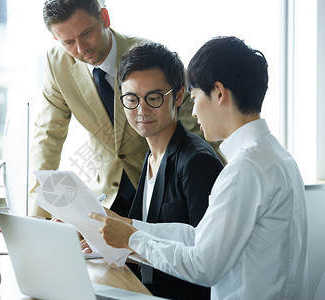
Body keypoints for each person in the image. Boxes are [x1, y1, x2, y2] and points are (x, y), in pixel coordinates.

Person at [89, 36, 308, 299]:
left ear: (218, 93)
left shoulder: (245, 169)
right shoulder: (274, 156)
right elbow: (197, 236)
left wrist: (132, 239)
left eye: (194, 97)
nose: (193, 113)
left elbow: (203, 265)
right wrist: (127, 226)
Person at [28, 0, 225, 219]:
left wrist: (220, 196)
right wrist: (38, 218)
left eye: (86, 33)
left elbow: (199, 130)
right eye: (68, 42)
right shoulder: (57, 65)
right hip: (108, 198)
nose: (81, 48)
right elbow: (47, 138)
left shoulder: (151, 59)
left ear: (104, 18)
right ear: (57, 39)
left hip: (163, 192)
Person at [116, 41, 223, 299]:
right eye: (131, 99)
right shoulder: (151, 155)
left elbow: (206, 262)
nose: (141, 110)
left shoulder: (197, 162)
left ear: (178, 96)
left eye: (153, 98)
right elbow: (140, 231)